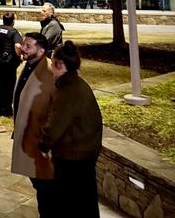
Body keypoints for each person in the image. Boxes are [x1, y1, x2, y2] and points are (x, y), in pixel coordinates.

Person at [39, 41, 103, 217]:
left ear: (60, 65)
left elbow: (56, 123)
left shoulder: (69, 91)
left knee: (70, 202)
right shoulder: (77, 84)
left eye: (53, 63)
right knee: (85, 200)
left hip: (73, 156)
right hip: (84, 153)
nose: (51, 68)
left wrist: (43, 145)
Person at [10, 33, 55, 217]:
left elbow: (56, 109)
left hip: (40, 140)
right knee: (38, 183)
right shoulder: (29, 65)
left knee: (46, 187)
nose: (23, 48)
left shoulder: (50, 72)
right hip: (27, 135)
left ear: (41, 51)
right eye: (23, 44)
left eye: (28, 46)